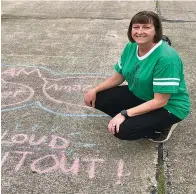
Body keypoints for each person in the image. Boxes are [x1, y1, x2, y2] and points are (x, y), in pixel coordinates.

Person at [84, 11, 190, 143]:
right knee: (98, 98)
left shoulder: (166, 58)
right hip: (143, 95)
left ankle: (159, 129)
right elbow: (119, 77)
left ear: (156, 31)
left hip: (169, 106)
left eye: (146, 27)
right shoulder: (131, 46)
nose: (140, 31)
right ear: (131, 29)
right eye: (136, 27)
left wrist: (124, 113)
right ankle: (141, 117)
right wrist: (94, 90)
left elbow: (160, 101)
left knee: (122, 129)